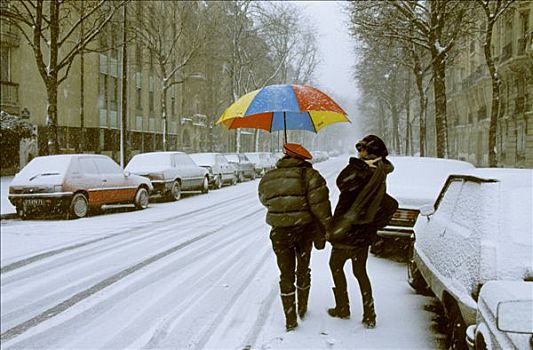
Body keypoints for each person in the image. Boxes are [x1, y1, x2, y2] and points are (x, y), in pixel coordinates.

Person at [258, 143, 332, 332]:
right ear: (302, 159)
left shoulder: (268, 177)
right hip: (303, 230)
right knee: (303, 267)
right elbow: (320, 206)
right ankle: (302, 307)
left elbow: (265, 200)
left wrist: (282, 209)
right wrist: (327, 227)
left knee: (286, 273)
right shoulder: (310, 176)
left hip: (279, 231)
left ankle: (290, 317)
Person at [327, 134, 398, 329]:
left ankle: (342, 307)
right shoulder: (379, 174)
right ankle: (369, 314)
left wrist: (357, 166)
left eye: (362, 149)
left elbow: (342, 182)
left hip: (346, 229)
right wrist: (373, 225)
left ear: (372, 152)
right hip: (363, 234)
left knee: (336, 265)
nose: (359, 153)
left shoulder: (363, 172)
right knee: (360, 272)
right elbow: (386, 204)